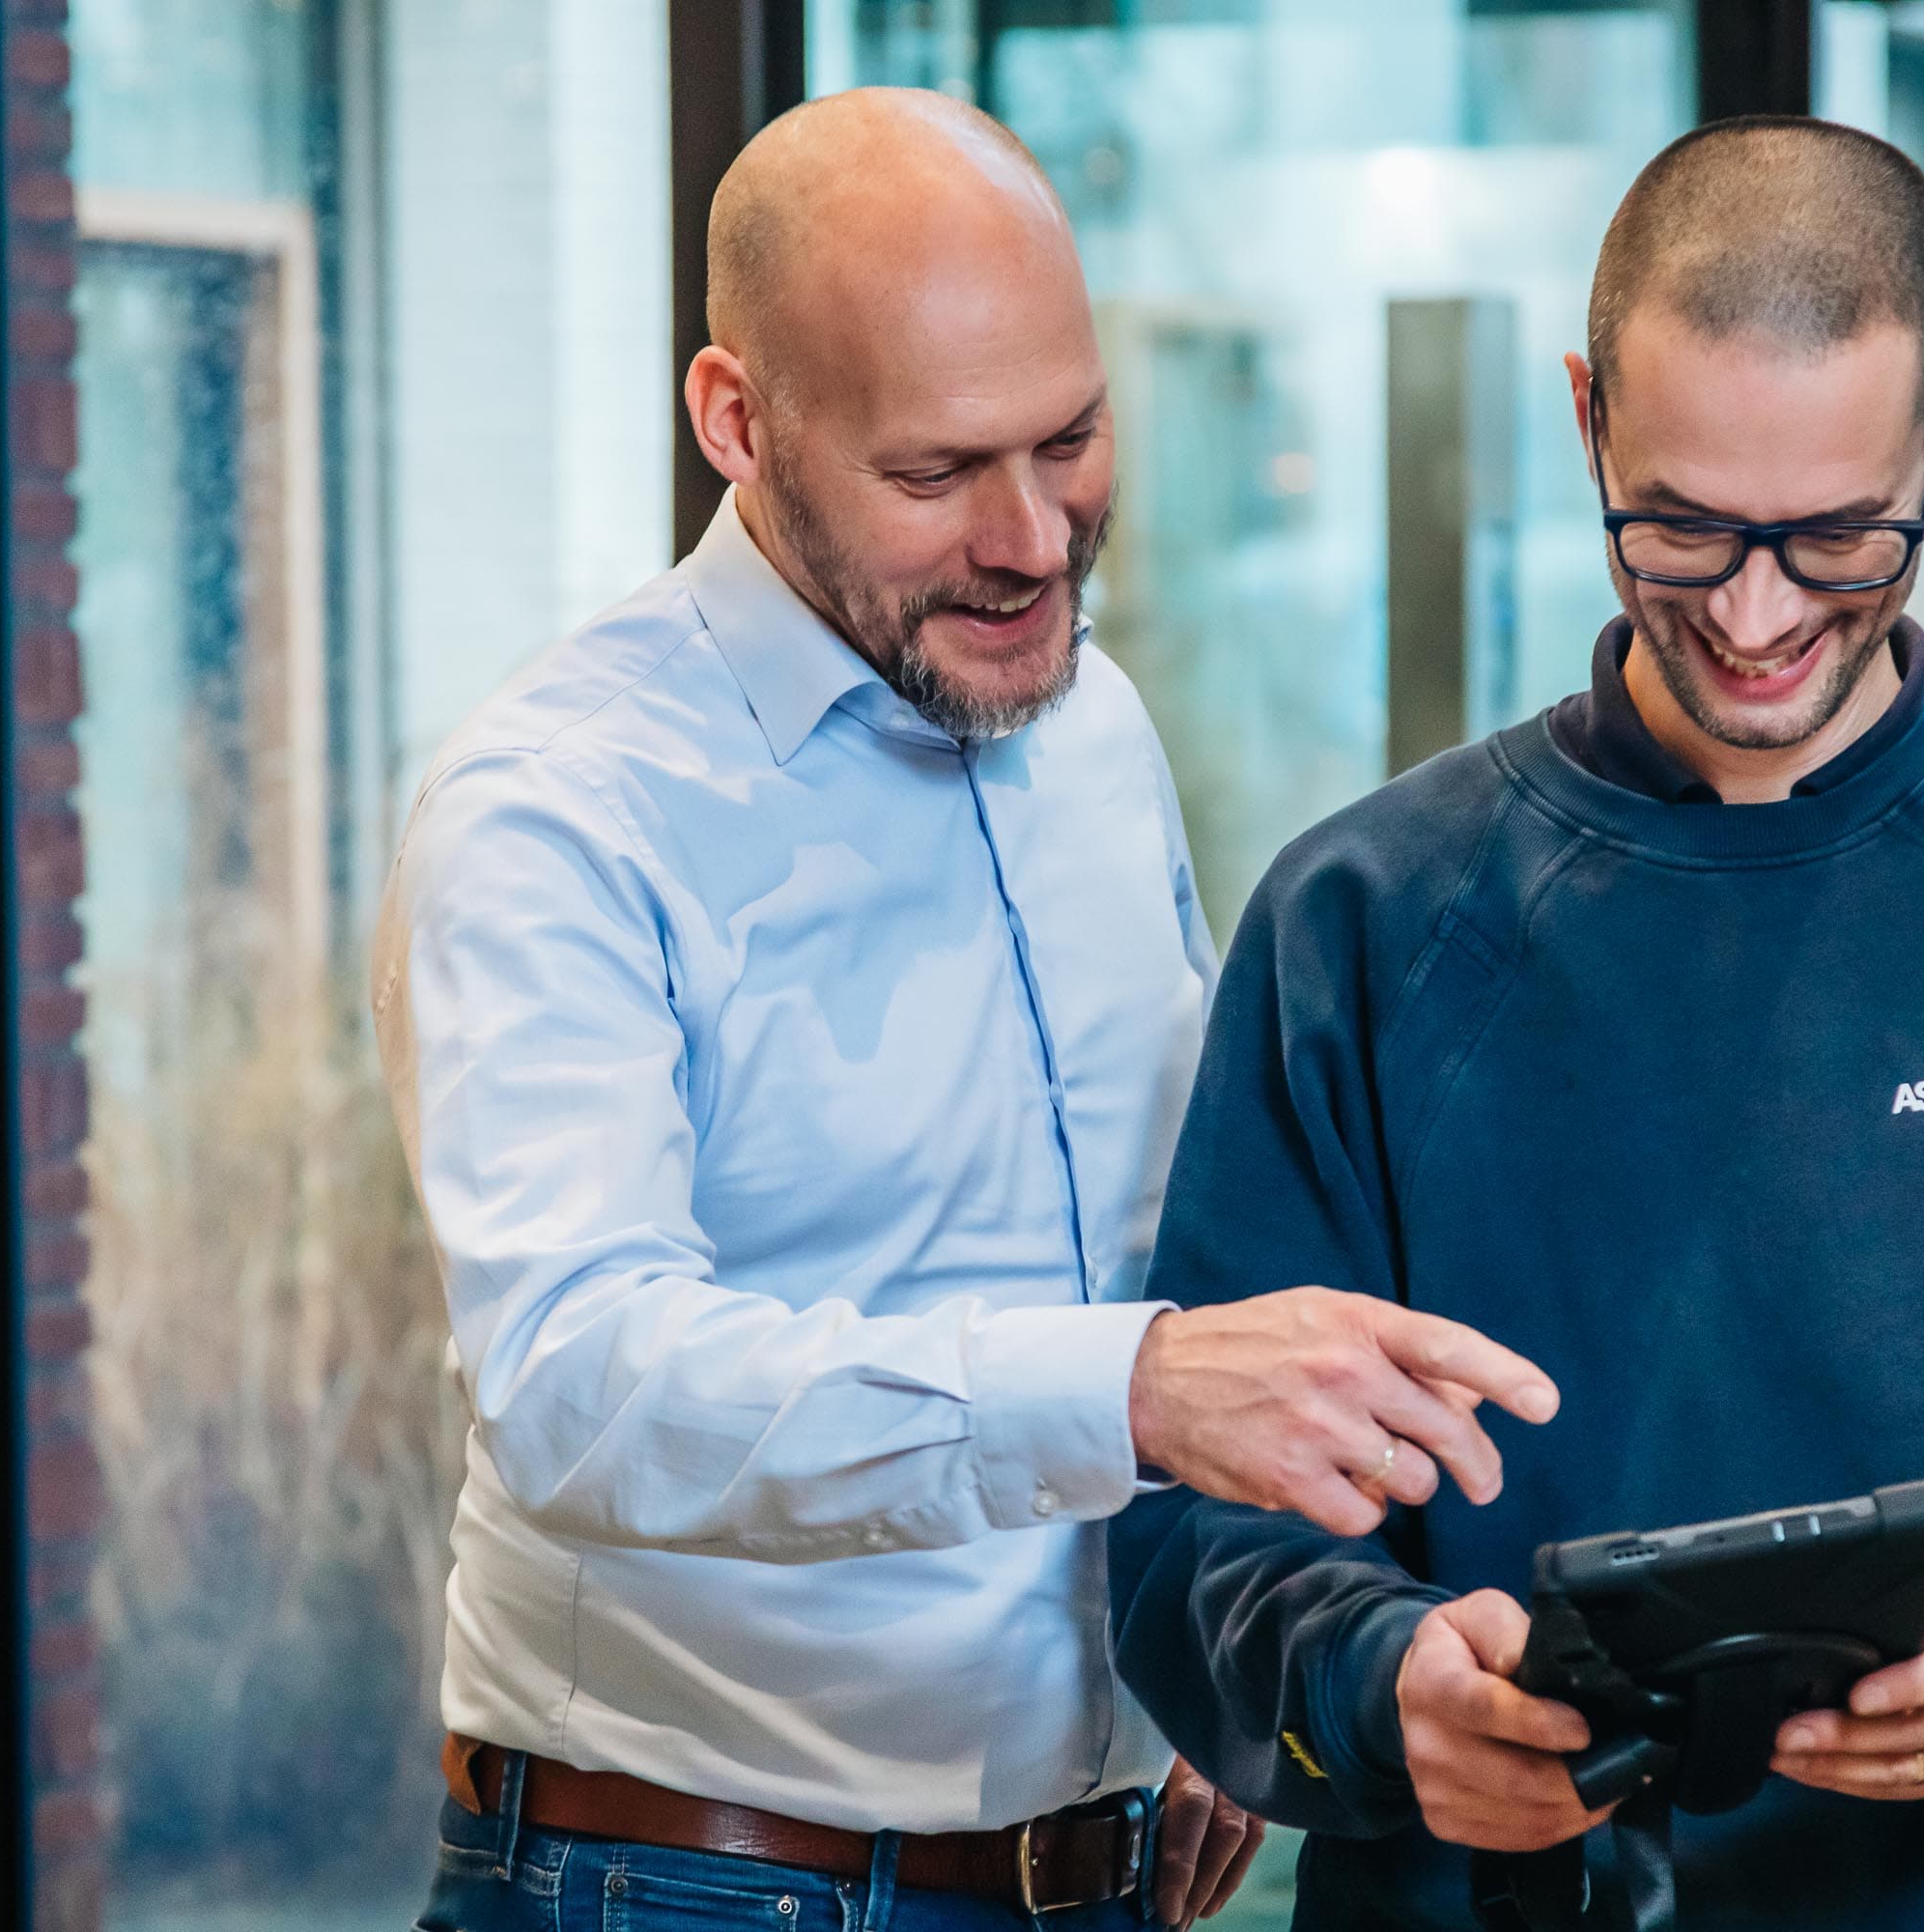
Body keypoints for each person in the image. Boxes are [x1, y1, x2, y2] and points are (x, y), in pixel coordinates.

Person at [1105, 115, 1924, 1930]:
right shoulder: (1365, 923)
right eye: (1678, 526)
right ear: (1585, 415)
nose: (1751, 614)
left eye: (1835, 539)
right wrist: (1386, 1688)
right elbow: (1197, 1530)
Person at [372, 88, 1558, 1932]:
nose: (1033, 539)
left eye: (1071, 437)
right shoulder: (557, 810)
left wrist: (1191, 1681)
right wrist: (1139, 1391)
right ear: (736, 424)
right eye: (936, 476)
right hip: (676, 1884)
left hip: (1095, 1878)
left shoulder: (1089, 727)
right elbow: (579, 1387)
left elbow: (1141, 1240)